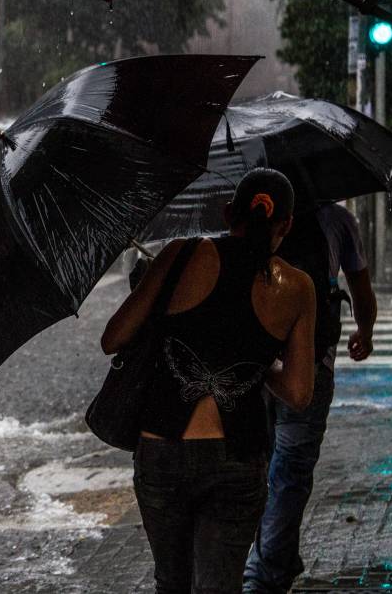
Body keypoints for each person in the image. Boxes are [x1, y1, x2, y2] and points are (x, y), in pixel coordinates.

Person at [101, 168, 316, 593]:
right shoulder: (297, 287)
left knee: (172, 583)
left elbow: (113, 338)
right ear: (286, 225)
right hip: (237, 455)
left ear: (227, 212)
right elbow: (298, 392)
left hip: (163, 447)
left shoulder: (180, 255)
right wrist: (259, 362)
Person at [243, 201, 377, 593]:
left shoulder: (249, 215)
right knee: (289, 474)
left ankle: (274, 560)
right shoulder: (337, 220)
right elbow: (361, 292)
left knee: (258, 466)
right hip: (312, 368)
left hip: (253, 367)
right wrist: (364, 333)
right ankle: (264, 576)